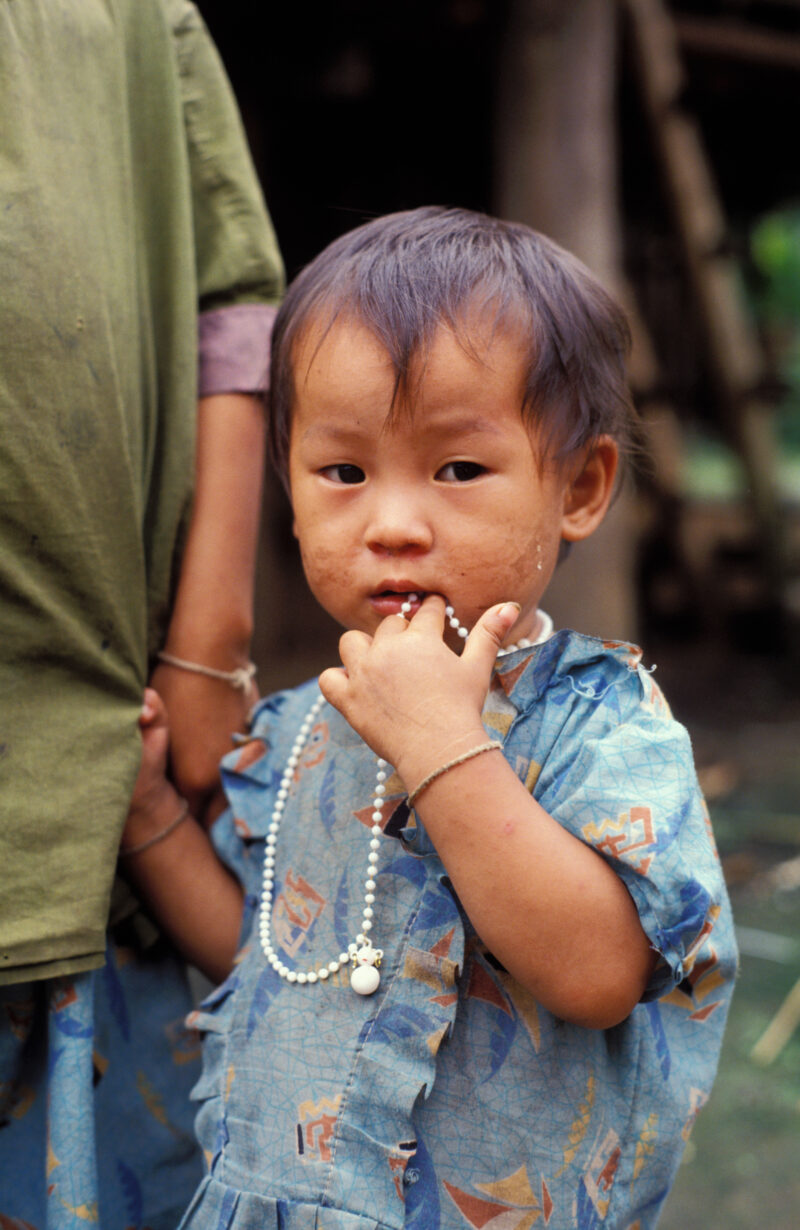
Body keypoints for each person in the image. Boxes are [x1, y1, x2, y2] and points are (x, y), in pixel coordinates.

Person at [120, 207, 737, 1230]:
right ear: (290, 490)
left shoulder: (594, 723)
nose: (392, 524)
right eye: (342, 473)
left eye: (456, 471)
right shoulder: (296, 728)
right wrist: (148, 816)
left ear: (577, 487)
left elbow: (595, 974)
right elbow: (262, 951)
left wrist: (442, 748)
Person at [0, 1, 283, 1226]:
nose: (392, 528)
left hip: (96, 720)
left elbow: (234, 302)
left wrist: (209, 645)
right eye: (345, 474)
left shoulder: (130, 20)